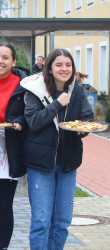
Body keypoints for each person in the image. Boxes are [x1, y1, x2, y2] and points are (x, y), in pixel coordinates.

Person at [20, 48, 94, 250]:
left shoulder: (76, 90)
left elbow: (87, 117)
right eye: (59, 64)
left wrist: (83, 130)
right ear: (50, 68)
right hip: (41, 164)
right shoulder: (35, 90)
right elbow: (34, 122)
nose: (64, 68)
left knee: (62, 222)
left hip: (67, 163)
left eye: (68, 64)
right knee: (41, 222)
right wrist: (56, 104)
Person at [0, 43, 27, 249]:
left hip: (9, 149)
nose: (1, 61)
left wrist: (21, 122)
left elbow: (31, 113)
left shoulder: (23, 85)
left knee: (3, 206)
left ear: (13, 61)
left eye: (5, 57)